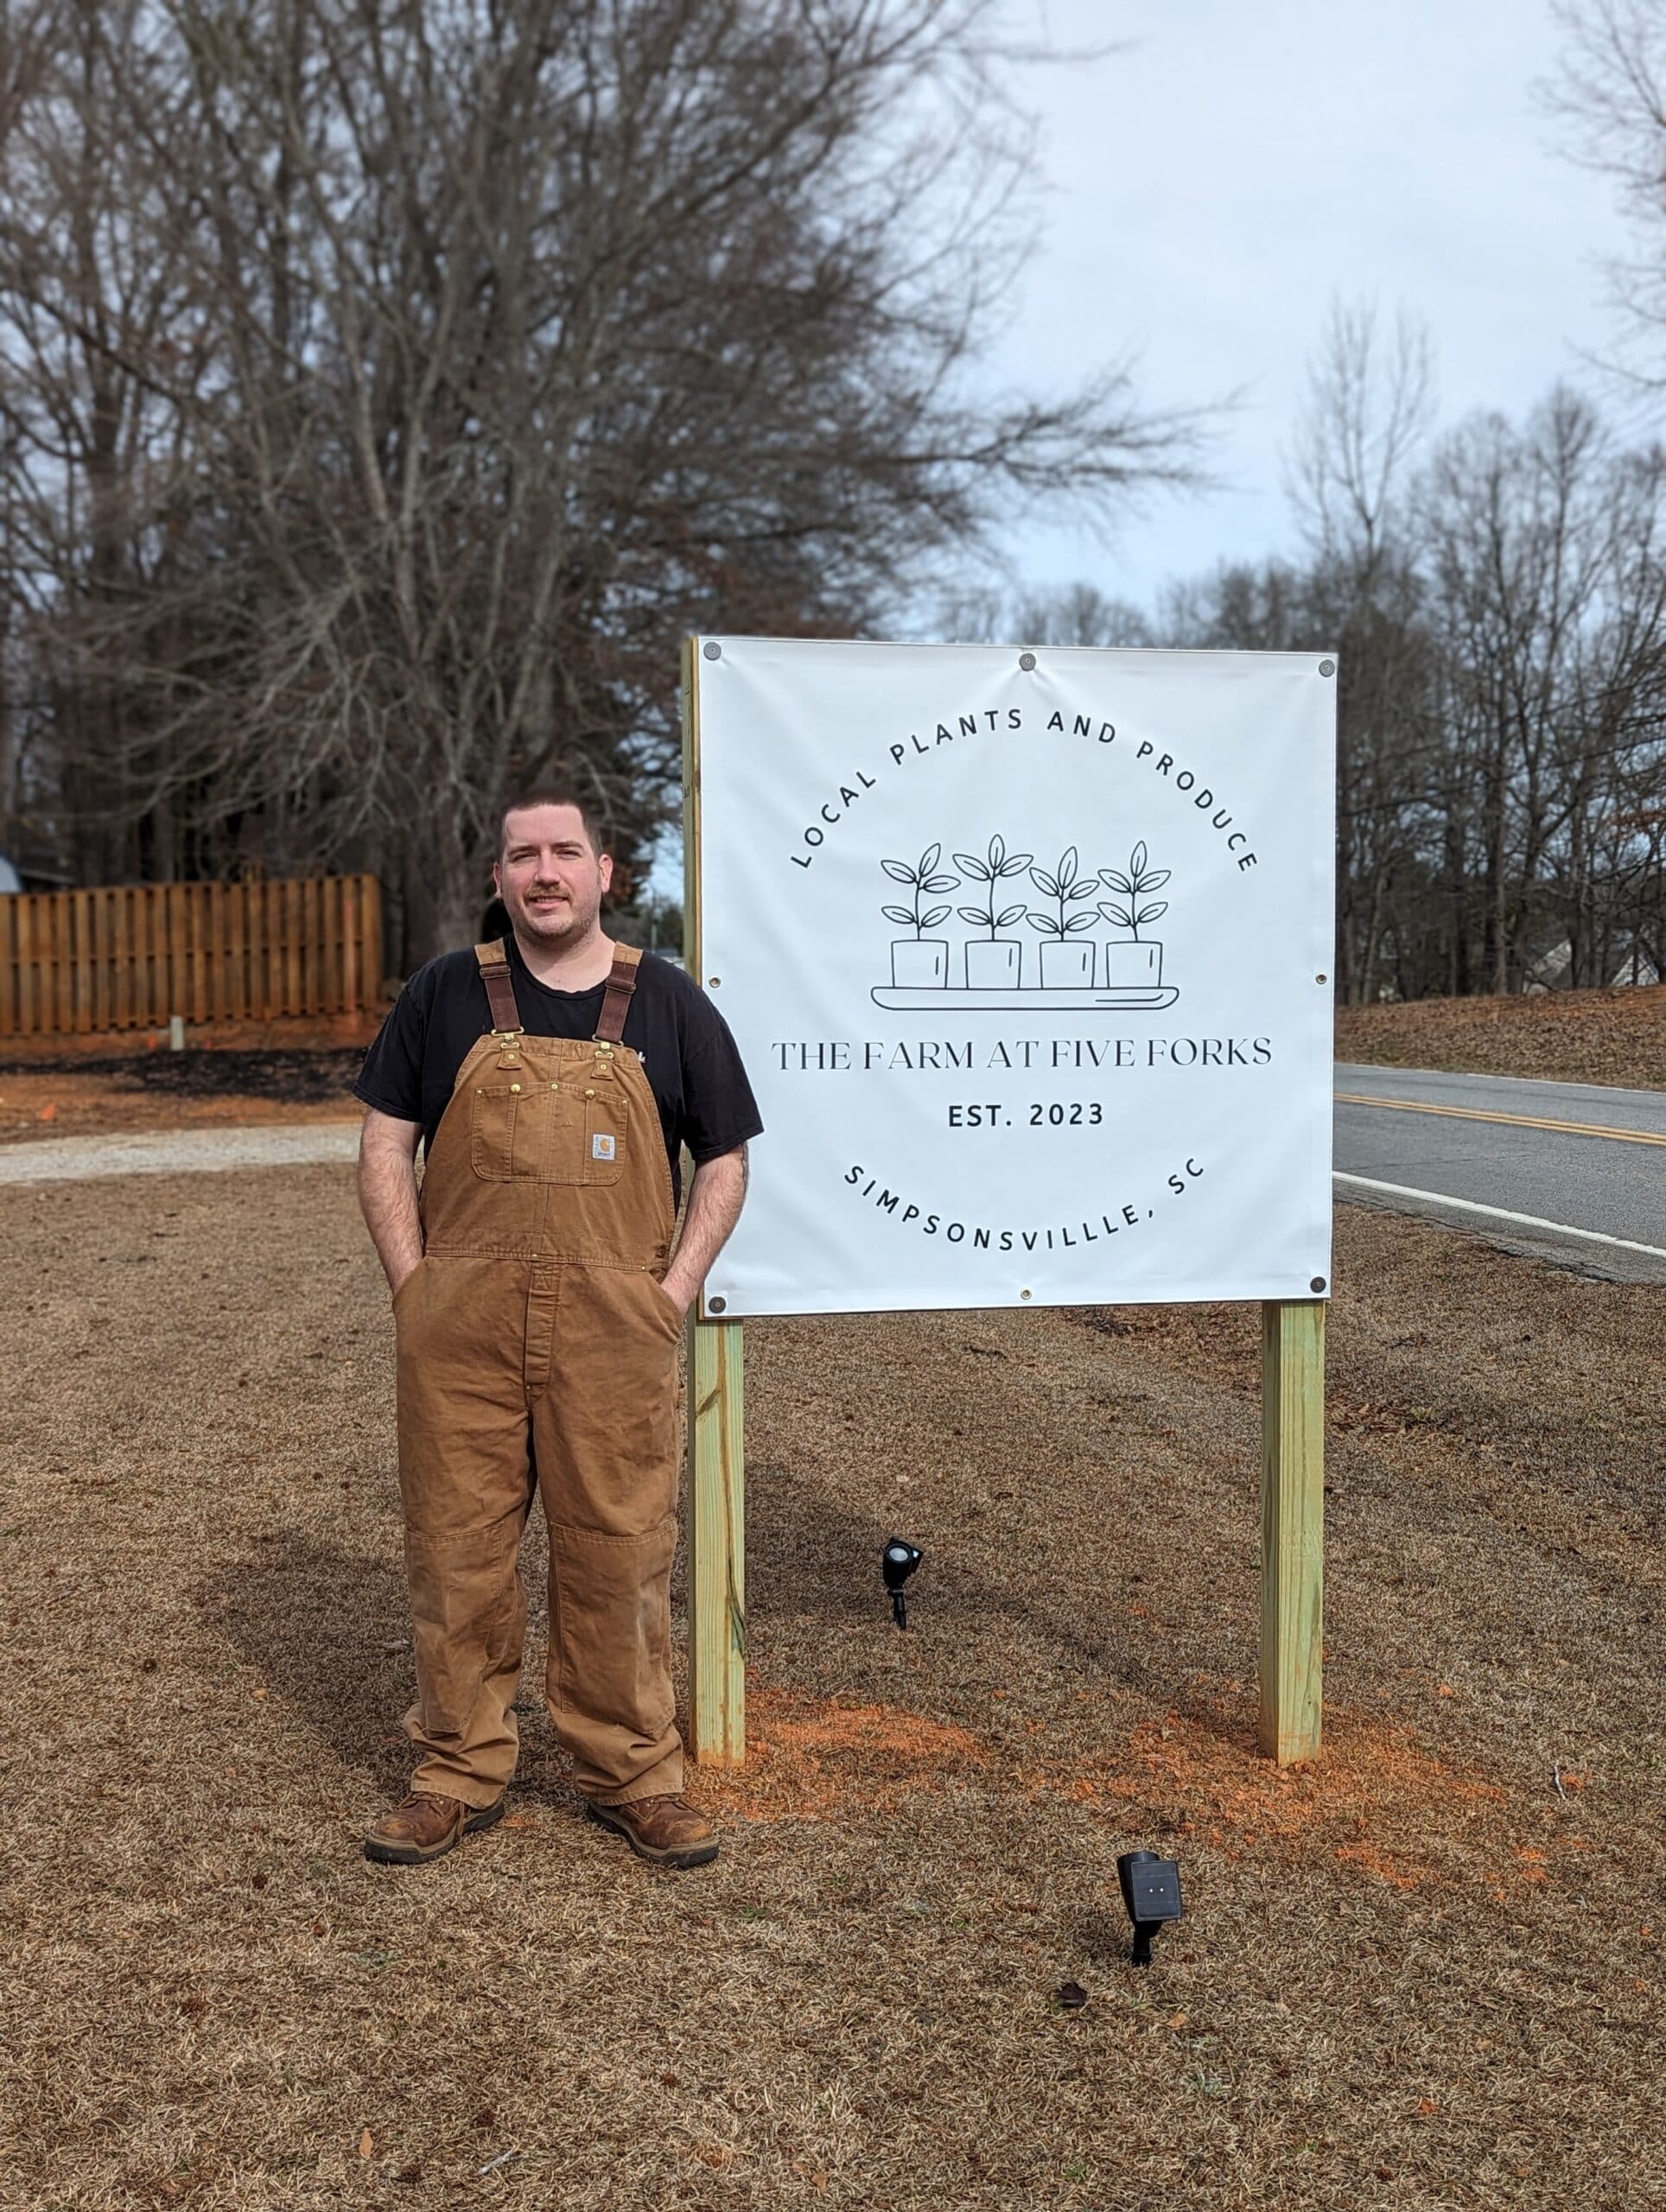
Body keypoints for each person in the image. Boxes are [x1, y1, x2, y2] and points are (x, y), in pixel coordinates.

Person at [353, 793, 760, 1871]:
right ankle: (452, 1771)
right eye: (523, 855)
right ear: (499, 876)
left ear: (605, 872)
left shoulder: (669, 1003)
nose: (545, 872)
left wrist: (669, 1291)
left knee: (619, 1551)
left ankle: (633, 1775)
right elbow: (384, 1143)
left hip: (613, 1328)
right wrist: (414, 1286)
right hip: (460, 1329)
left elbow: (723, 1159)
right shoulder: (442, 994)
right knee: (457, 1550)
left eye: (564, 854)